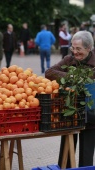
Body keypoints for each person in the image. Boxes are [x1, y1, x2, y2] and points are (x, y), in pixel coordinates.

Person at [45, 31, 95, 168]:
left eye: (79, 49)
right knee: (66, 153)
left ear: (89, 48)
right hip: (70, 112)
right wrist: (71, 77)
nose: (75, 52)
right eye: (73, 48)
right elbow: (49, 72)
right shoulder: (69, 60)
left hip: (91, 114)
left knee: (87, 155)